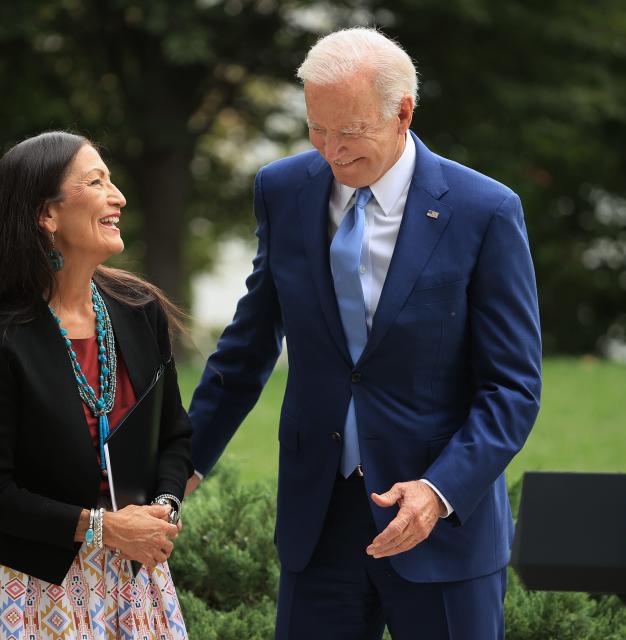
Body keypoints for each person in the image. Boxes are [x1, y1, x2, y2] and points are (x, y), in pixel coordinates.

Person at [186, 28, 541, 639]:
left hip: (439, 525)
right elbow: (247, 347)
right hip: (318, 522)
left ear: (402, 113)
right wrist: (181, 462)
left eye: (347, 131)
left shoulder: (485, 211)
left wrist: (439, 490)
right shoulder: (283, 191)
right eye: (315, 128)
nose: (329, 150)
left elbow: (512, 388)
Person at [0, 131, 192, 639]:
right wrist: (103, 529)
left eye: (112, 181)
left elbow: (174, 436)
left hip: (136, 581)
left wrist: (164, 507)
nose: (119, 196)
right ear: (46, 216)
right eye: (96, 182)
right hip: (31, 594)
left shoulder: (139, 312)